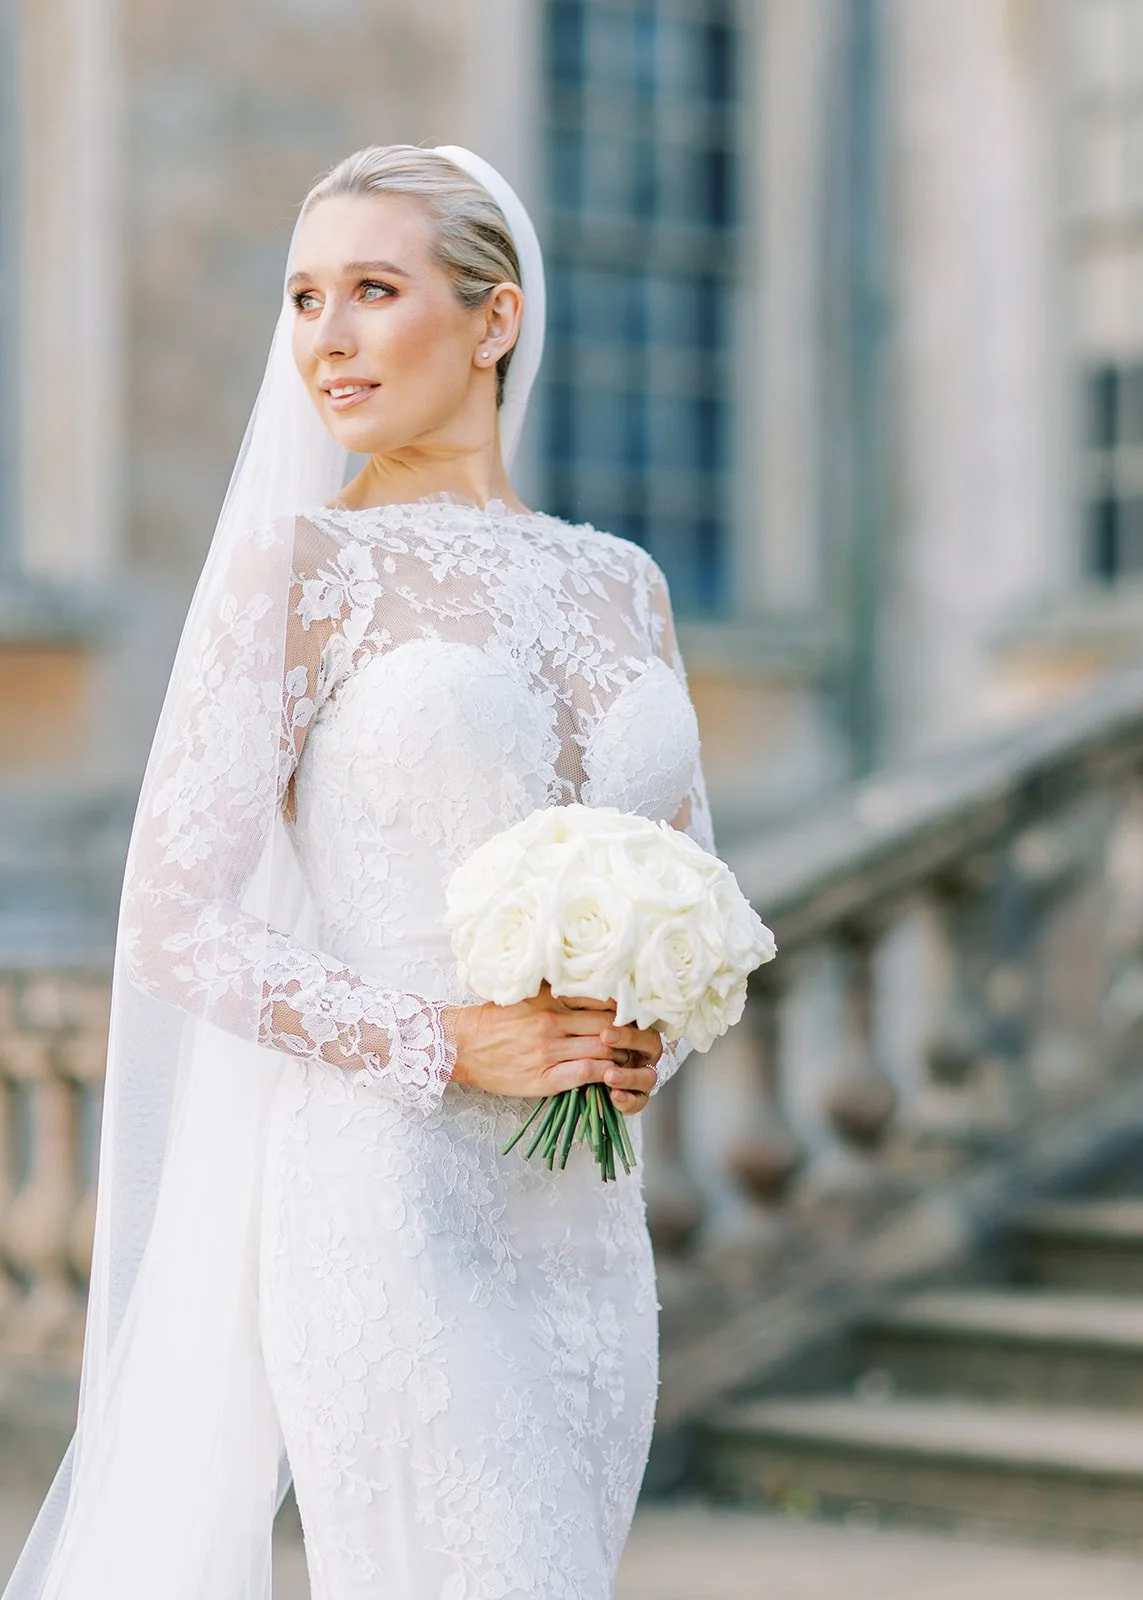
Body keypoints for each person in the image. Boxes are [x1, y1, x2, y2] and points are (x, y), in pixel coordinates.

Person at [4, 143, 715, 1600]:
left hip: (579, 1220)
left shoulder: (623, 582)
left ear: (493, 318)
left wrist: (653, 1033)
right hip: (384, 1200)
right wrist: (440, 1039)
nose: (324, 337)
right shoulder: (306, 569)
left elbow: (692, 881)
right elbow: (174, 920)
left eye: (373, 290)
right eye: (305, 297)